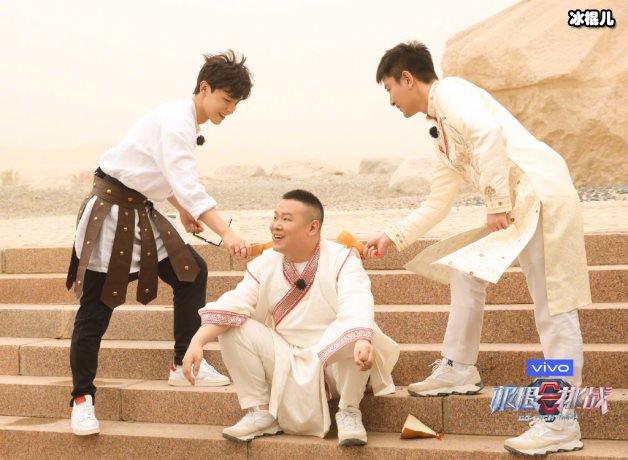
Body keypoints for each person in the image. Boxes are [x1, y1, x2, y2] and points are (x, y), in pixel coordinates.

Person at [365, 41, 590, 456]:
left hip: (542, 196)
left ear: (407, 79)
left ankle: (561, 420)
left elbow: (488, 134)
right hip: (517, 208)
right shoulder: (441, 134)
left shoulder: (453, 92)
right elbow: (437, 203)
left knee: (554, 309)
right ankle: (459, 367)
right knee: (466, 269)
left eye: (389, 89)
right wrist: (392, 236)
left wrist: (495, 204)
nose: (390, 100)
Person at [65, 51, 254, 436]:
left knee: (192, 272)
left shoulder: (180, 119)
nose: (231, 110)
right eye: (227, 100)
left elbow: (156, 171)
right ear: (205, 88)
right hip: (111, 213)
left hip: (140, 210)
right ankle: (82, 398)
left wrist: (181, 209)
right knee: (95, 310)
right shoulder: (176, 122)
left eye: (236, 103)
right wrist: (227, 233)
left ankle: (183, 364)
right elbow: (187, 182)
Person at [182, 190, 399, 446]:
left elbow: (356, 300)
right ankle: (261, 412)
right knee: (232, 325)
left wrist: (361, 339)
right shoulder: (265, 263)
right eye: (275, 217)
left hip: (333, 361)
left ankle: (349, 410)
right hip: (285, 356)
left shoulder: (342, 258)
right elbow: (235, 302)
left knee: (359, 329)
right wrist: (197, 341)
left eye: (286, 219)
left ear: (312, 227)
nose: (276, 225)